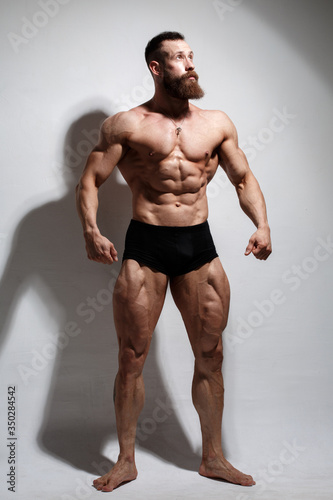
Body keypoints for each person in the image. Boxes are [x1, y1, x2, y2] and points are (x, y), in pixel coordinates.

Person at [76, 31, 272, 493]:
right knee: (131, 357)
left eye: (191, 55)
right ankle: (126, 461)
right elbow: (90, 180)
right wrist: (91, 229)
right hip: (146, 247)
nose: (189, 64)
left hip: (198, 247)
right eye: (178, 57)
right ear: (156, 67)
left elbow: (243, 178)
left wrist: (262, 224)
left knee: (211, 355)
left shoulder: (217, 122)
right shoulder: (127, 125)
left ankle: (213, 458)